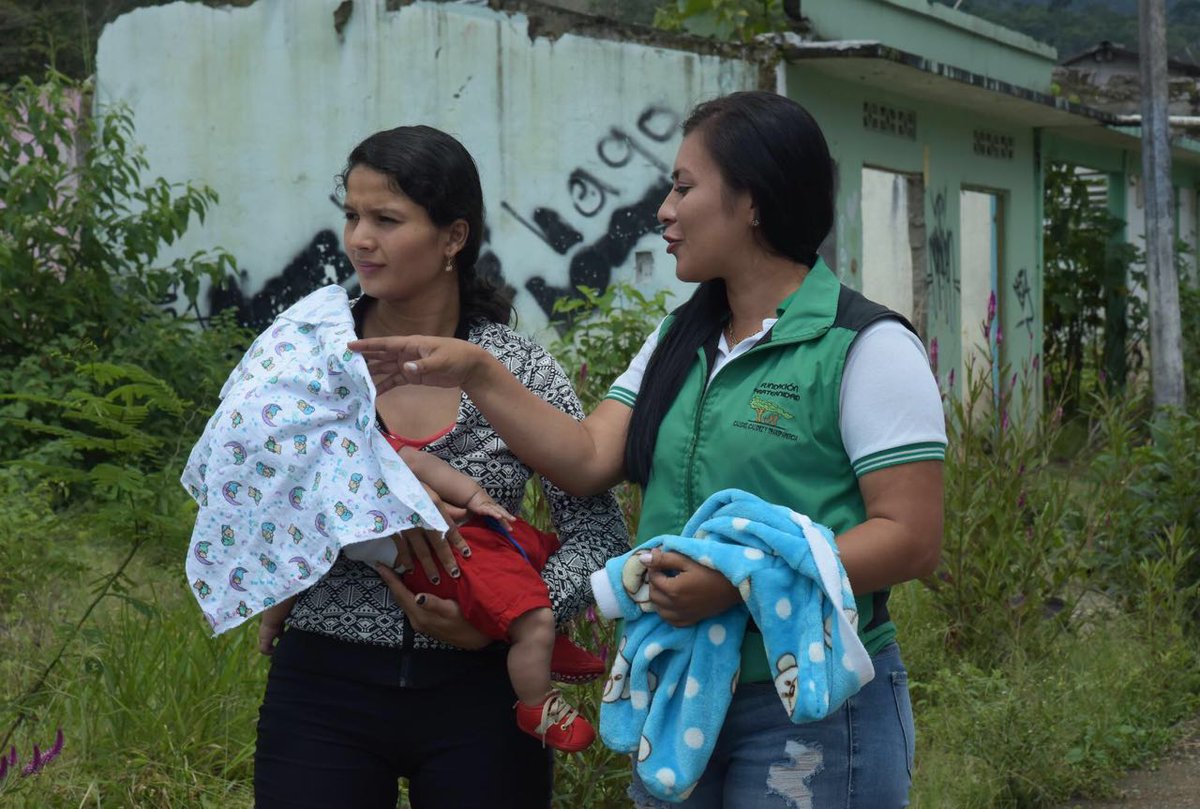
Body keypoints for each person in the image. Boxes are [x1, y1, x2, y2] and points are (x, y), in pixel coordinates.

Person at [351, 91, 946, 808]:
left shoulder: (865, 345)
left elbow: (911, 539)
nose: (663, 209)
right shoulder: (682, 337)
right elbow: (583, 457)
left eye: (685, 187)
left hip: (812, 704)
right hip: (679, 690)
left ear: (752, 202)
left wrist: (741, 583)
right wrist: (477, 370)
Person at [252, 125, 629, 809]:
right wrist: (360, 516)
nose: (359, 239)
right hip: (324, 687)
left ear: (453, 237)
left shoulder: (515, 367)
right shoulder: (308, 356)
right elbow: (253, 503)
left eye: (386, 219)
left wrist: (505, 612)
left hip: (485, 692)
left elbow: (601, 537)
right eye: (352, 215)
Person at [256, 442, 598, 753]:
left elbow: (415, 461)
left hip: (466, 540)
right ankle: (536, 677)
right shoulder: (315, 495)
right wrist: (272, 618)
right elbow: (298, 561)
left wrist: (474, 496)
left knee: (534, 580)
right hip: (446, 564)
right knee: (528, 613)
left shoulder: (362, 444)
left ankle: (538, 673)